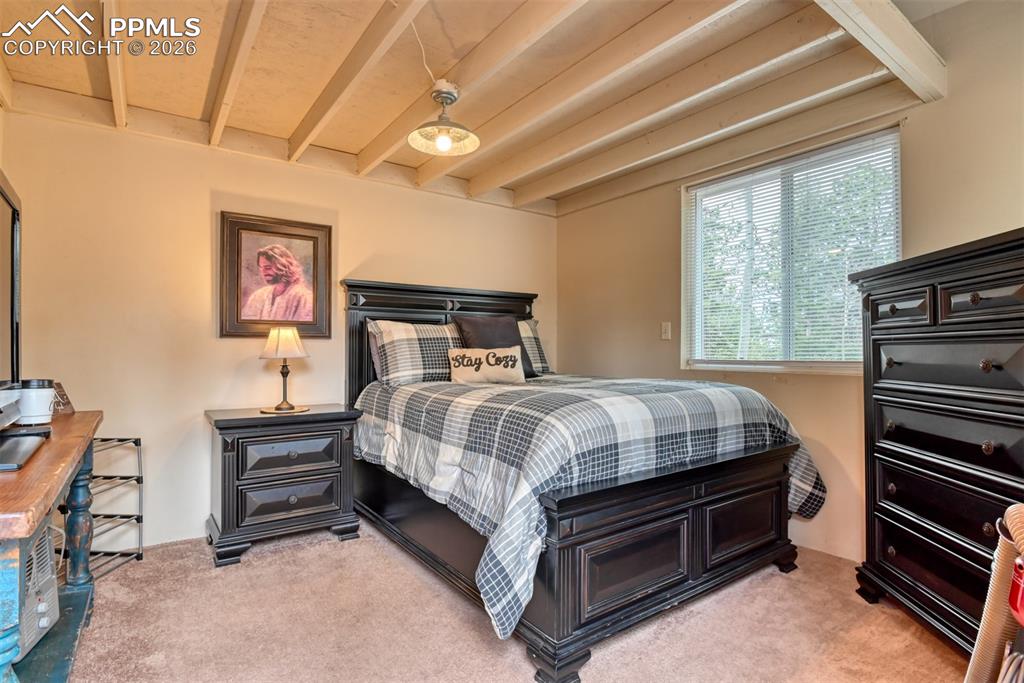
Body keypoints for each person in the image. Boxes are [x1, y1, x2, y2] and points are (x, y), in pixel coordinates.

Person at [240, 244, 314, 322]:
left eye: (268, 267)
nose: (263, 272)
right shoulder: (258, 295)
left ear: (283, 266)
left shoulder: (303, 297)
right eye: (261, 268)